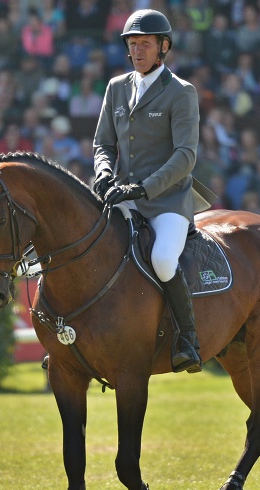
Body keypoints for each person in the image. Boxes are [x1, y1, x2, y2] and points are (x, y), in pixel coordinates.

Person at [92, 9, 213, 374]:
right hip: (122, 198)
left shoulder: (181, 92)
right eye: (132, 44)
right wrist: (103, 173)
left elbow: (185, 156)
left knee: (162, 258)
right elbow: (102, 144)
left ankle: (187, 339)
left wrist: (143, 188)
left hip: (167, 201)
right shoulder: (116, 88)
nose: (137, 50)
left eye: (144, 43)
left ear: (163, 47)